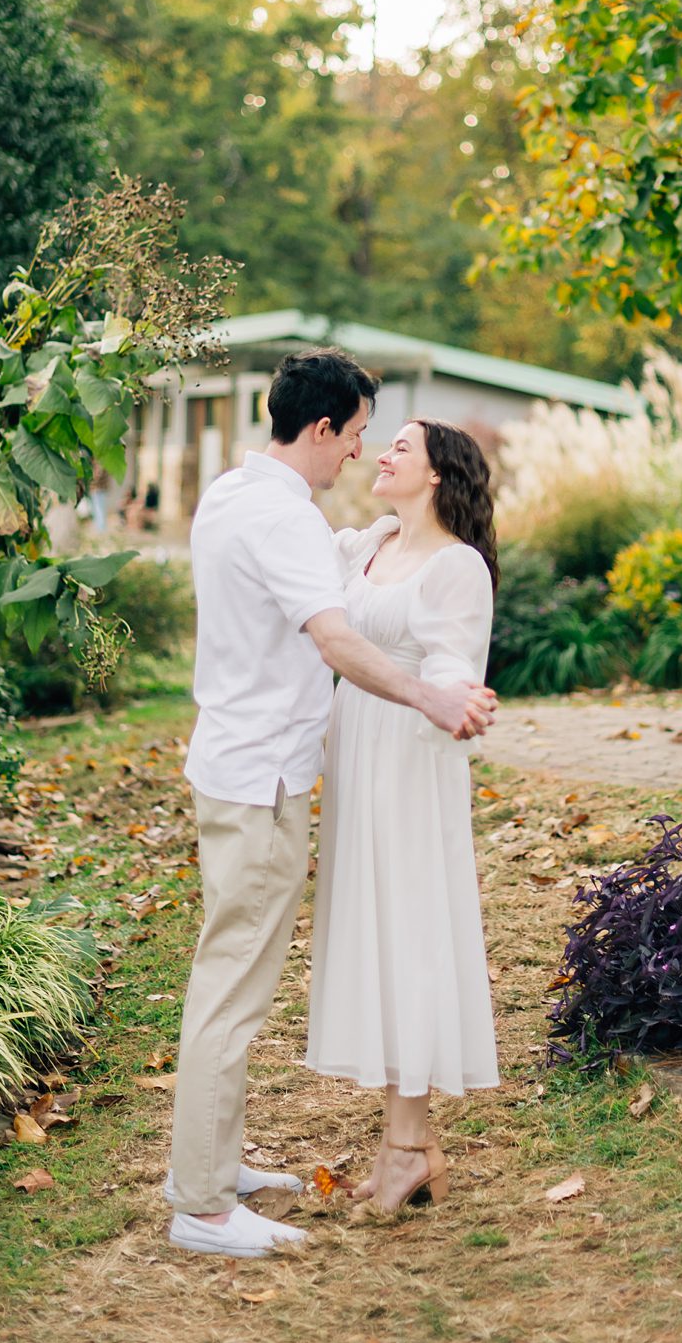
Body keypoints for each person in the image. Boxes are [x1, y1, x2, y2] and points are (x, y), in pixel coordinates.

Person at [166, 350, 496, 1260]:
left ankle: (217, 1167)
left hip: (239, 766)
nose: (360, 451)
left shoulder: (236, 494)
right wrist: (429, 696)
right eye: (354, 434)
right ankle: (201, 1206)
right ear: (321, 428)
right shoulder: (288, 521)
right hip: (260, 780)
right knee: (231, 991)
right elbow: (337, 641)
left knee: (230, 978)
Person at [306, 418, 499, 1213]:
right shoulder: (368, 544)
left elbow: (453, 660)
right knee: (375, 939)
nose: (382, 455)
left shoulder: (458, 567)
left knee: (409, 938)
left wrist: (456, 697)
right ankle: (406, 1147)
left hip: (411, 761)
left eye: (400, 448)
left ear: (438, 474)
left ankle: (407, 1148)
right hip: (357, 753)